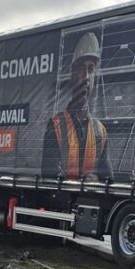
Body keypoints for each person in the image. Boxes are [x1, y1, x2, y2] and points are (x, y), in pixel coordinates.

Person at [42, 32, 113, 181]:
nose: (86, 76)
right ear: (73, 73)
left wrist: (95, 180)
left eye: (91, 69)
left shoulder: (100, 131)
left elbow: (108, 179)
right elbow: (50, 176)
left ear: (94, 77)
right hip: (61, 201)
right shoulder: (56, 125)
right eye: (81, 68)